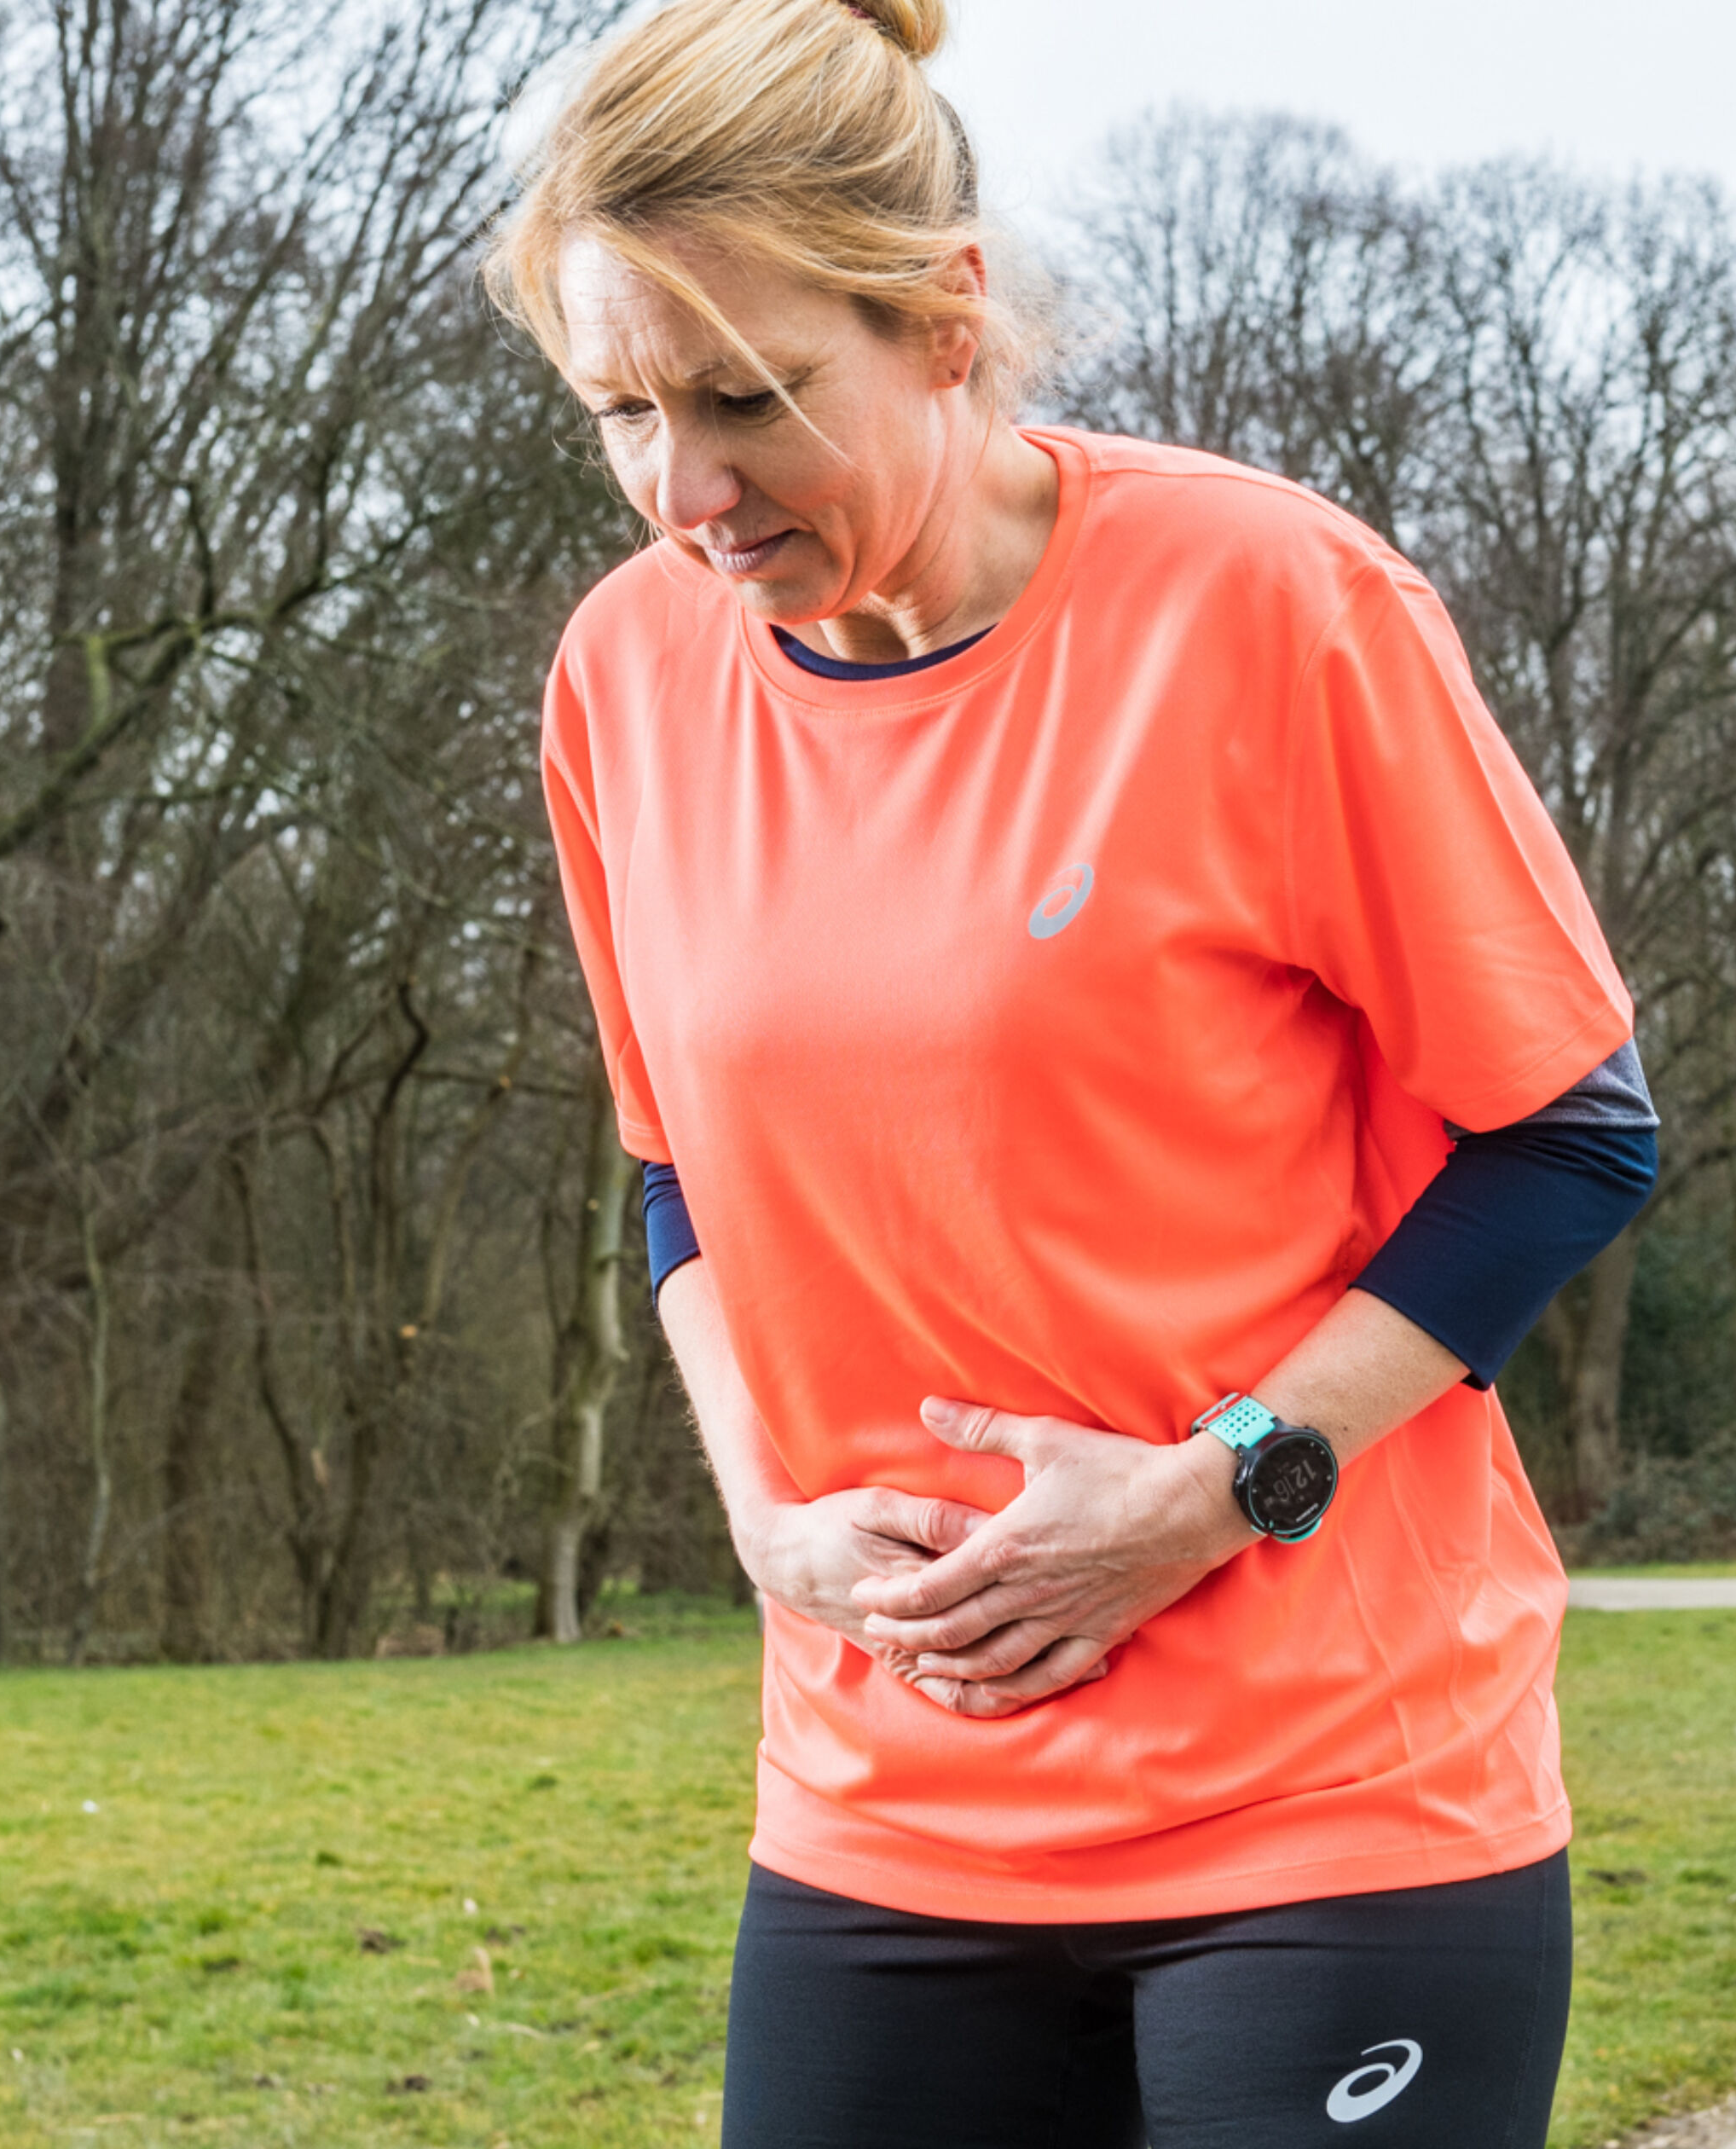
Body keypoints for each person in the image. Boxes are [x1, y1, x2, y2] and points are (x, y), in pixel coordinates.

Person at [484, 4, 1652, 2141]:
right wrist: (762, 1515)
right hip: (880, 1815)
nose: (687, 494)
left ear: (947, 319)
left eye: (748, 400)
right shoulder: (621, 679)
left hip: (1334, 1805)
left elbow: (1567, 1133)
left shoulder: (1272, 606)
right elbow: (681, 1180)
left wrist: (1211, 1495)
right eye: (620, 412)